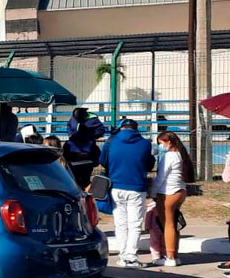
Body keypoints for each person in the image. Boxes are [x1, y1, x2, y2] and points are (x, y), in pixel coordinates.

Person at [98, 119, 155, 268]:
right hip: (137, 187)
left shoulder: (111, 142)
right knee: (135, 224)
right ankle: (131, 257)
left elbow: (102, 161)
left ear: (121, 128)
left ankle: (123, 256)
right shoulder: (145, 143)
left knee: (120, 224)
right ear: (136, 128)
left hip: (115, 185)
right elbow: (149, 164)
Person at [150, 131, 195, 267]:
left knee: (168, 225)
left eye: (161, 143)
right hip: (180, 191)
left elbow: (160, 178)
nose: (160, 146)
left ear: (168, 142)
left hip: (168, 192)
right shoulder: (181, 154)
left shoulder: (169, 156)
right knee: (174, 224)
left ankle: (170, 257)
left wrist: (153, 193)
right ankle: (174, 254)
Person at [64, 107, 107, 189]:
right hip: (78, 157)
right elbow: (69, 129)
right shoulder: (72, 120)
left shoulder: (93, 119)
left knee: (82, 182)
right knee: (76, 182)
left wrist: (91, 136)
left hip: (86, 156)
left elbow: (101, 131)